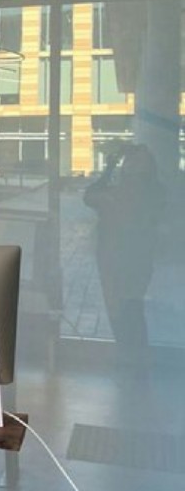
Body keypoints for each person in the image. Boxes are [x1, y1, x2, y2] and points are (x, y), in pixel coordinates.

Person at [83, 143, 165, 354]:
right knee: (132, 309)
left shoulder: (120, 194)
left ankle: (131, 360)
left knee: (122, 312)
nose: (126, 164)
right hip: (137, 260)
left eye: (131, 161)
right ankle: (135, 359)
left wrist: (110, 167)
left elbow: (90, 196)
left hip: (116, 260)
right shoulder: (154, 192)